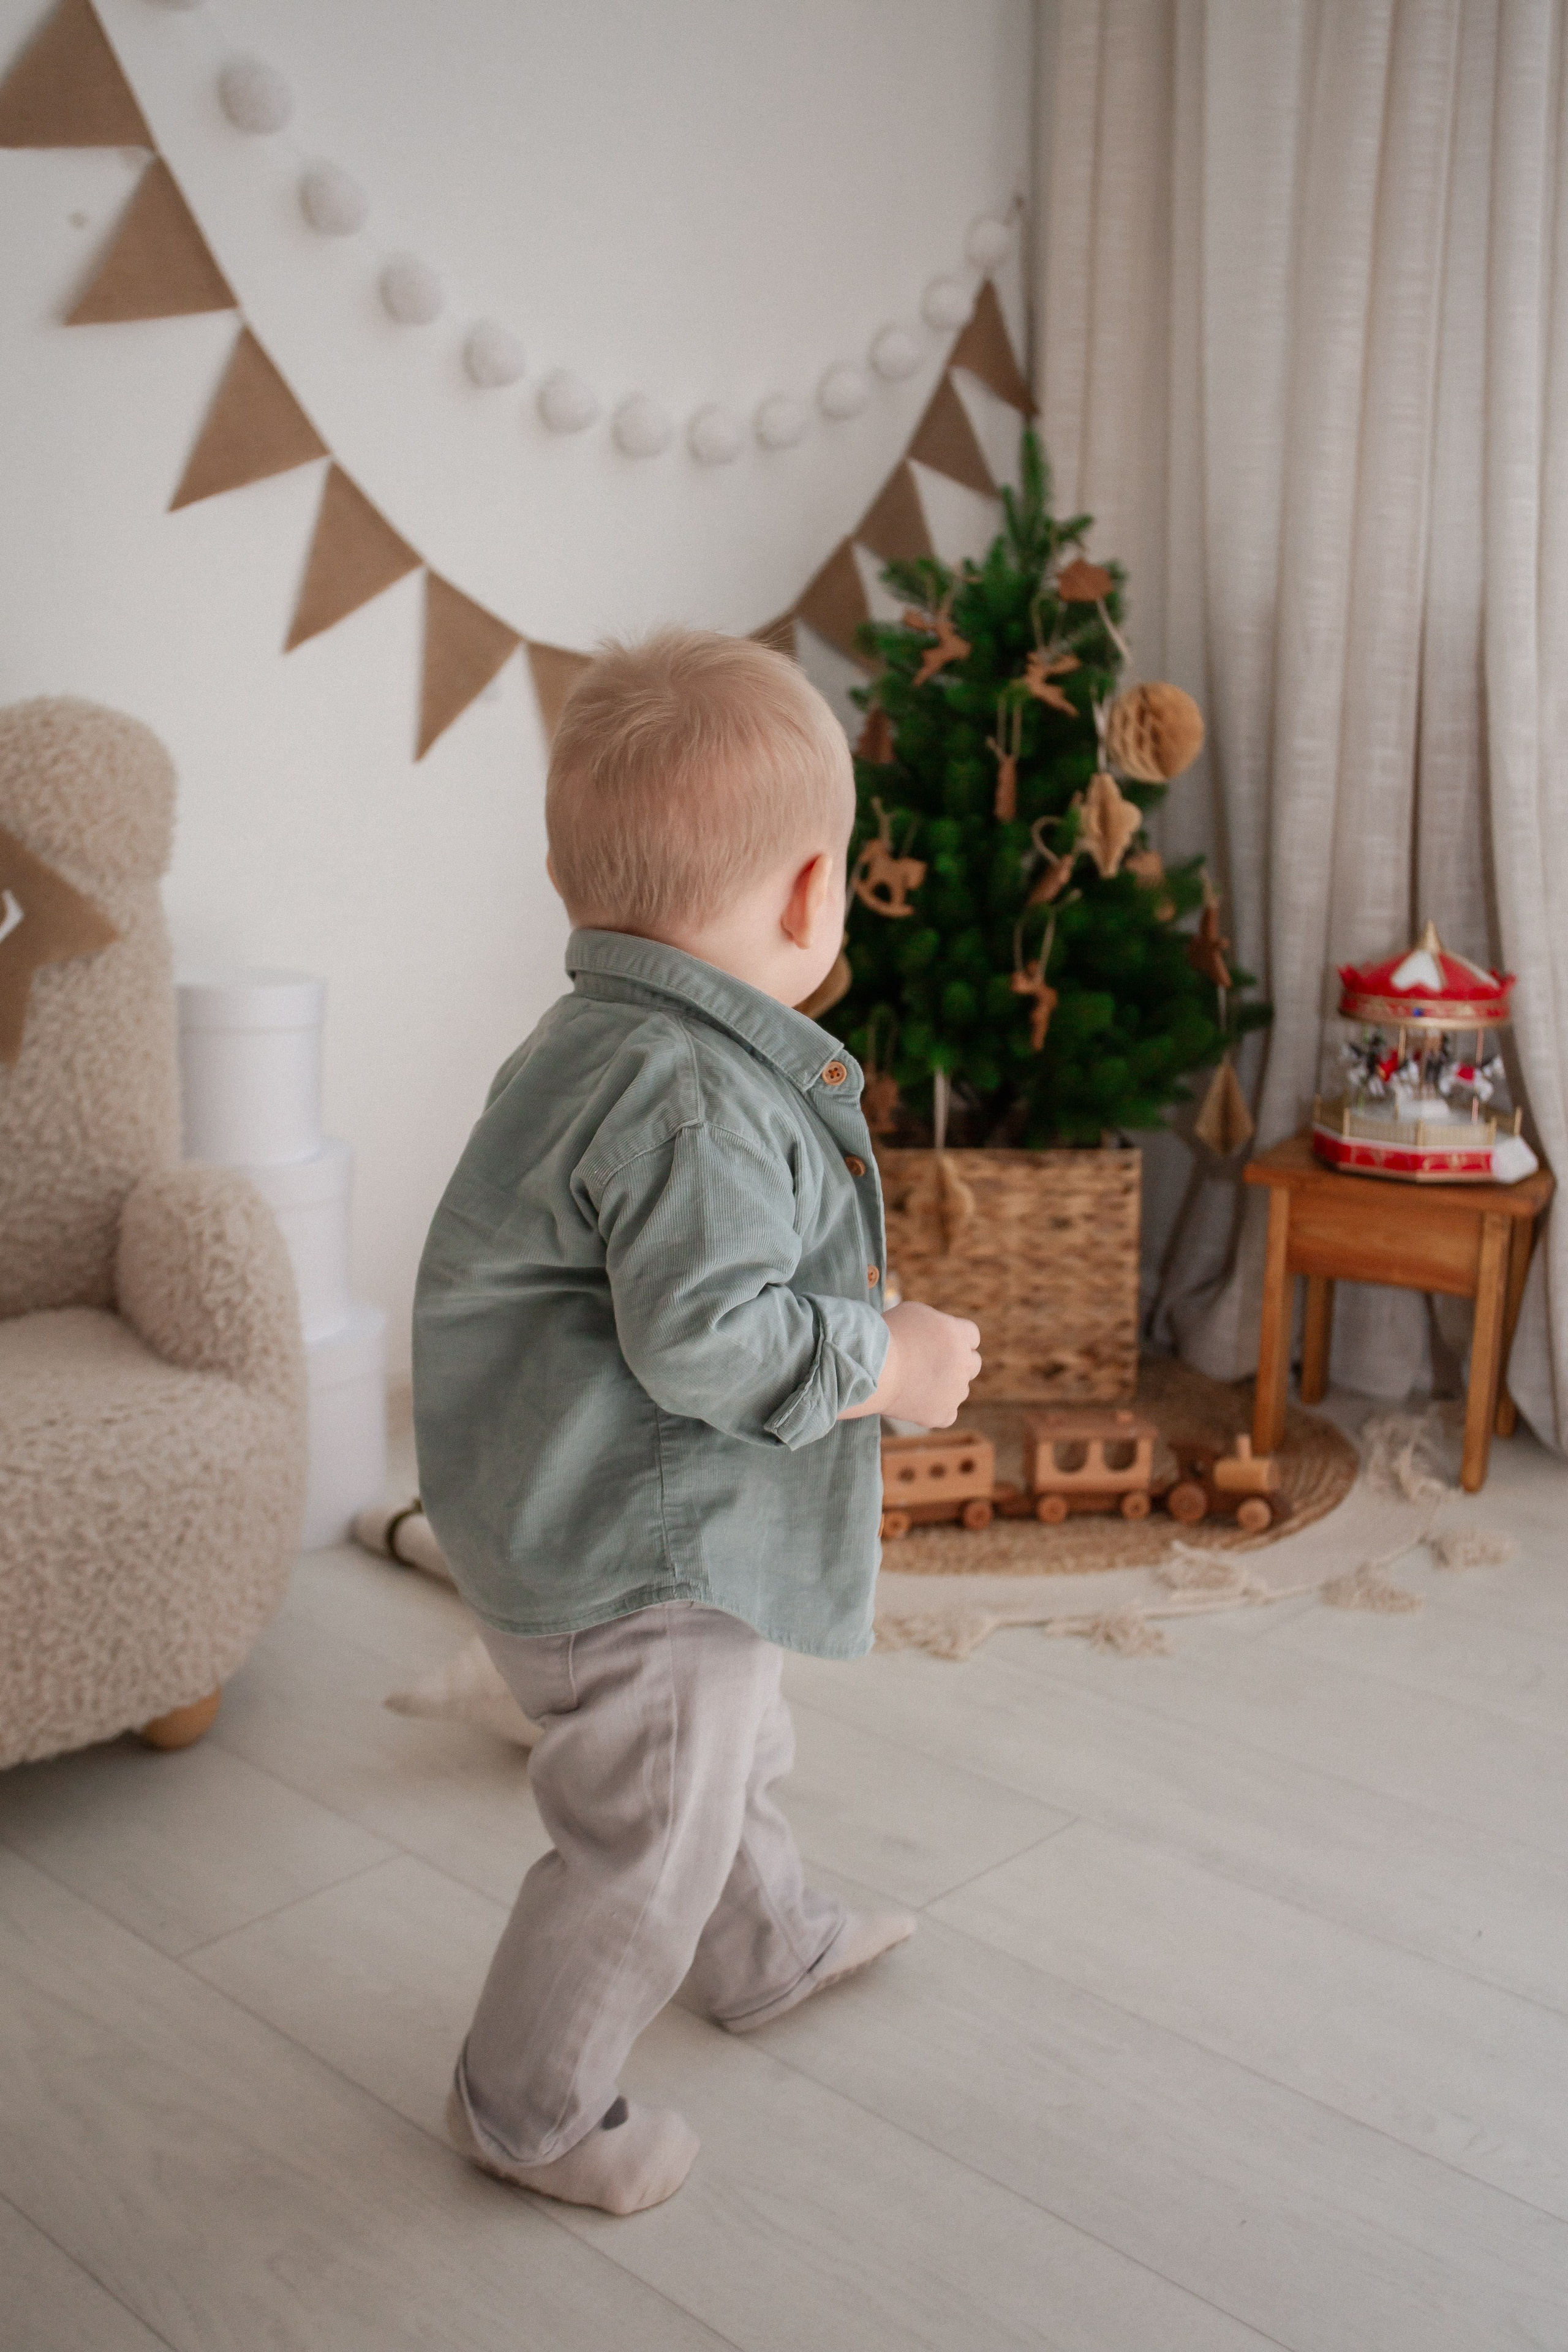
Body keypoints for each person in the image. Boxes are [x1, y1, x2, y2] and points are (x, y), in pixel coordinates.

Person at [413, 629, 981, 2216]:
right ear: (812, 896)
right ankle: (528, 2109)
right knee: (649, 1833)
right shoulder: (690, 1096)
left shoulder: (610, 1040)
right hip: (628, 1550)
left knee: (733, 1749)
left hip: (602, 1513)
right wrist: (889, 1360)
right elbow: (710, 1342)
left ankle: (765, 1943)